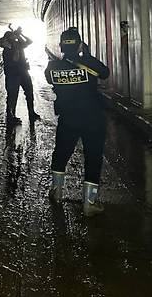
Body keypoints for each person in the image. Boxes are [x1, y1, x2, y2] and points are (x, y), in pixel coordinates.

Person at [45, 27, 110, 217]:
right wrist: (86, 56)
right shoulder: (88, 64)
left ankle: (57, 192)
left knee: (61, 153)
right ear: (80, 45)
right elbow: (104, 73)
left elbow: (50, 79)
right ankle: (89, 202)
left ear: (61, 46)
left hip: (68, 119)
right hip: (93, 119)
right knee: (93, 157)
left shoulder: (52, 68)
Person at [0, 25, 40, 125]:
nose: (15, 37)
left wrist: (20, 34)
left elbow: (30, 41)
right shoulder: (7, 48)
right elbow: (15, 59)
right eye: (13, 36)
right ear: (8, 38)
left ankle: (31, 112)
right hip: (12, 75)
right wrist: (15, 38)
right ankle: (10, 116)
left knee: (29, 93)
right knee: (12, 96)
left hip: (23, 73)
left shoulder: (18, 44)